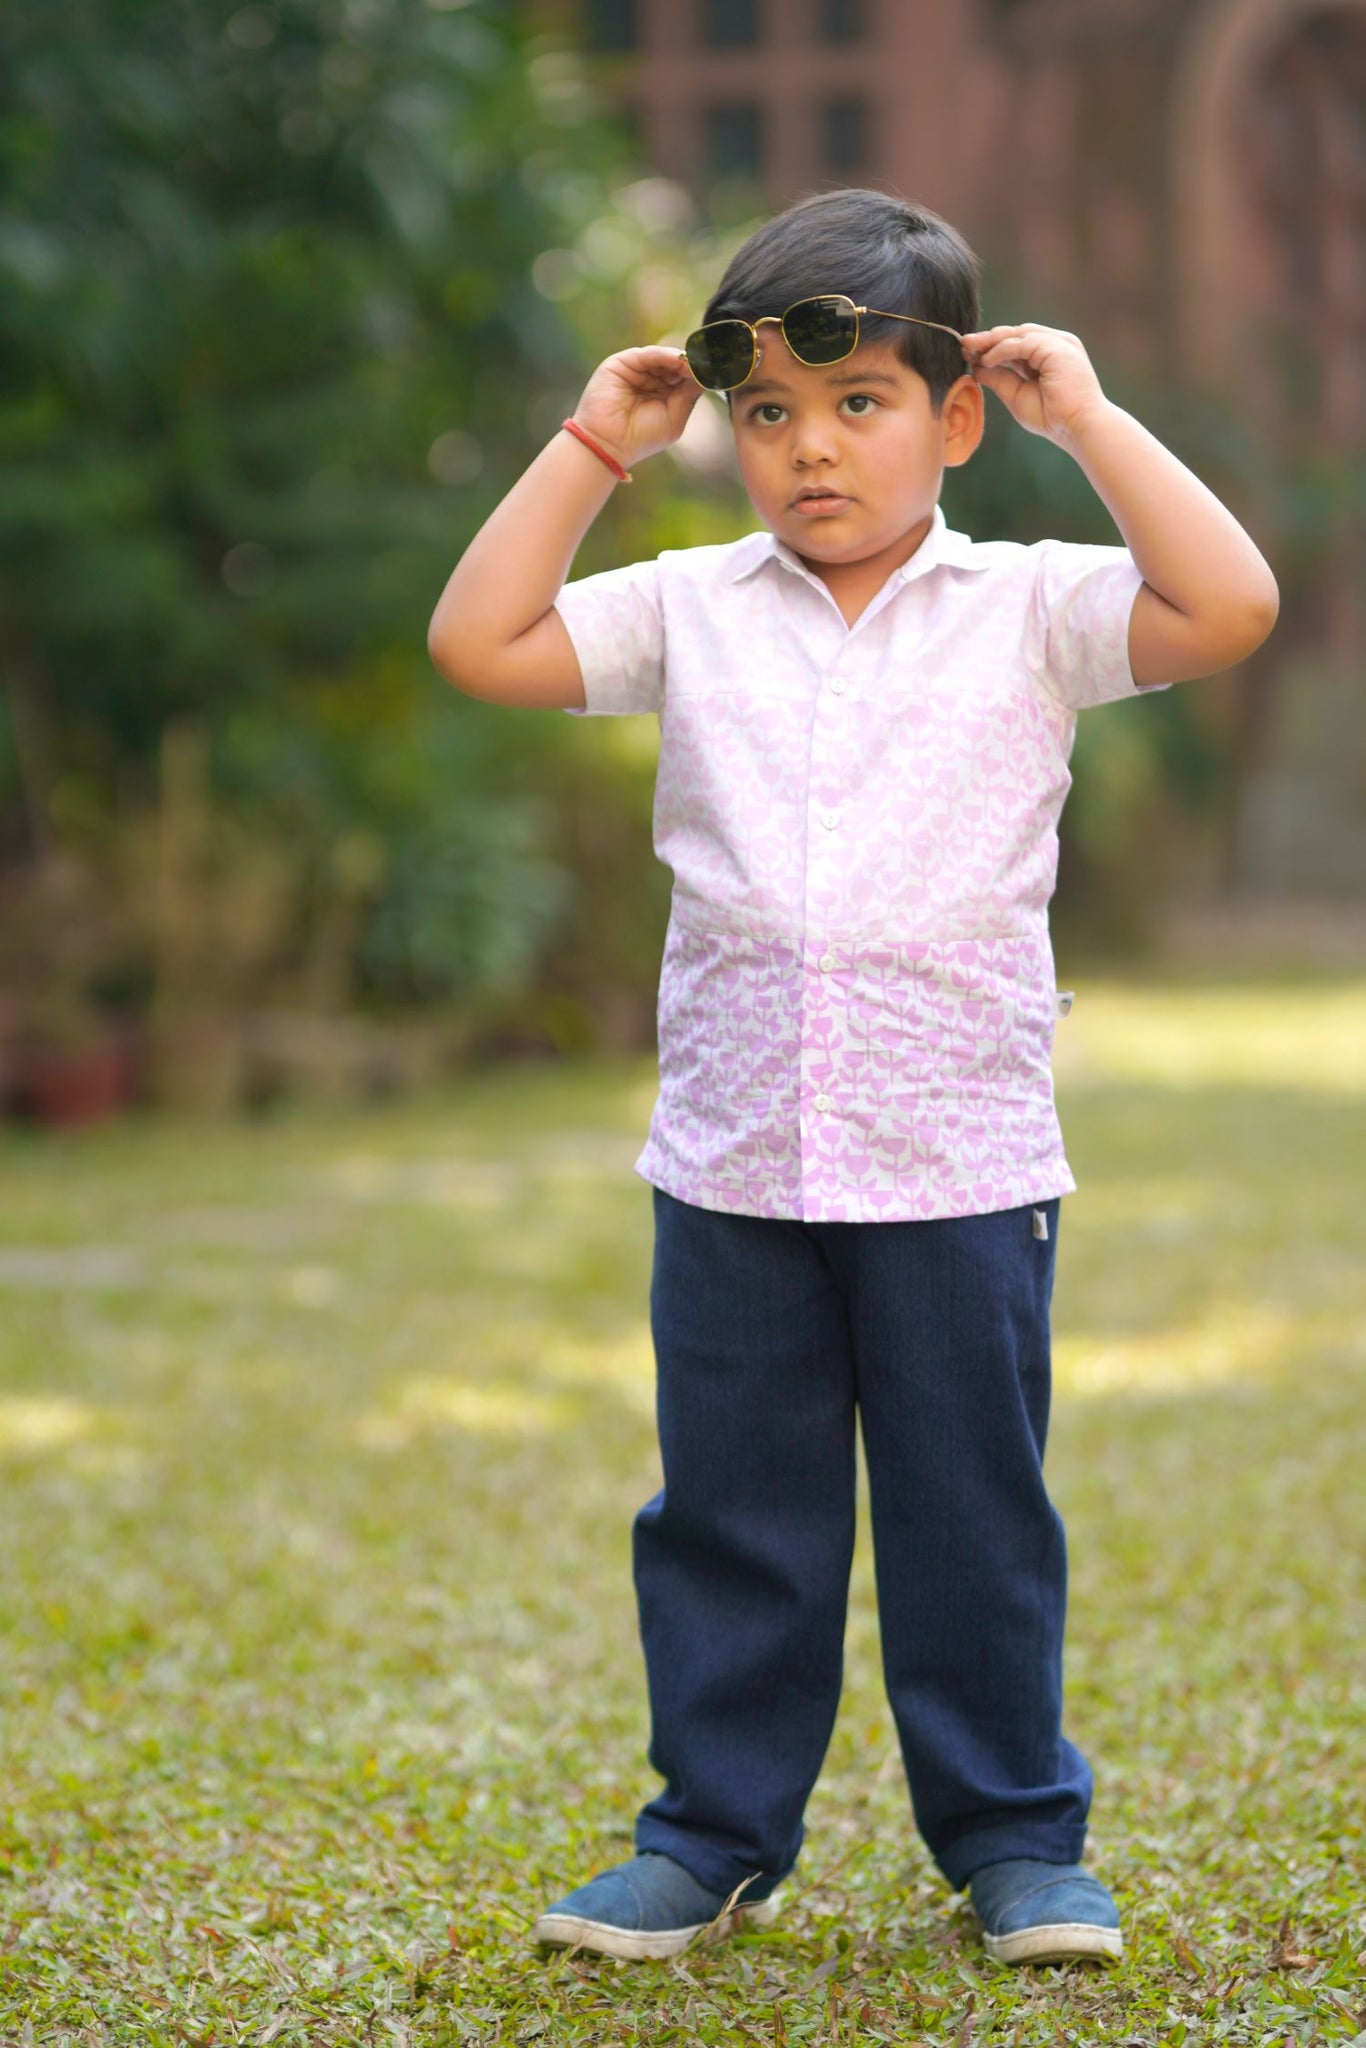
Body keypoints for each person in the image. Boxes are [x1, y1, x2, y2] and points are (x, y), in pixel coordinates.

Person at [426, 188, 1278, 1968]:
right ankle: (712, 1837)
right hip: (734, 1162)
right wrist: (597, 440)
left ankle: (1016, 1842)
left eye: (859, 405)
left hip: (958, 1162)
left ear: (953, 417)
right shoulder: (691, 609)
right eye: (766, 416)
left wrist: (1091, 420)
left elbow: (1229, 602)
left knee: (975, 1515)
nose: (809, 452)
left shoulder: (1031, 610)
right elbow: (481, 643)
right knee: (731, 1517)